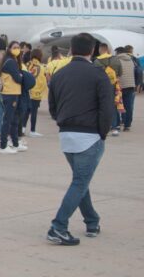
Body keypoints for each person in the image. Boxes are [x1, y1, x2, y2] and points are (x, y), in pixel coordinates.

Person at [46, 33, 115, 246]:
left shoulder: (59, 74)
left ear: (72, 49)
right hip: (89, 136)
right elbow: (107, 108)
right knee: (80, 182)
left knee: (80, 181)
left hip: (67, 135)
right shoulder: (98, 74)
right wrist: (102, 132)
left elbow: (53, 106)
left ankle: (92, 221)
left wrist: (62, 122)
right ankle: (58, 227)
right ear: (91, 50)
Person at [0, 41, 27, 154]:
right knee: (8, 120)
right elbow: (18, 78)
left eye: (18, 47)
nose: (17, 49)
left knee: (14, 120)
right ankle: (3, 146)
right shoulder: (10, 62)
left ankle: (15, 143)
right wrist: (20, 75)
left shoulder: (13, 61)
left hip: (14, 93)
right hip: (10, 93)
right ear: (9, 49)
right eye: (14, 47)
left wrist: (19, 75)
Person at [24, 49, 47, 138]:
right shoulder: (40, 67)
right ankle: (32, 130)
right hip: (36, 92)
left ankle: (22, 128)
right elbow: (41, 81)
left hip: (27, 91)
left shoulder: (27, 64)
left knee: (26, 111)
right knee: (34, 112)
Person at [114, 47, 136, 132]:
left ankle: (117, 124)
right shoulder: (131, 60)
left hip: (120, 86)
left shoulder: (117, 60)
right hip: (130, 85)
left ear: (118, 53)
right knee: (128, 106)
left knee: (117, 105)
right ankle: (127, 125)